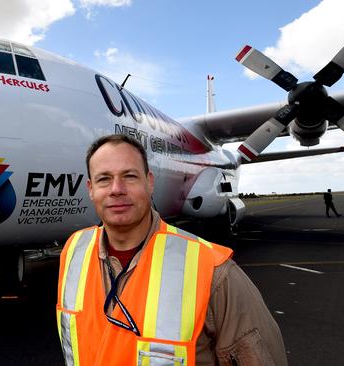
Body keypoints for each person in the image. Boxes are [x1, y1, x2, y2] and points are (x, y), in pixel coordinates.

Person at [56, 134, 287, 365]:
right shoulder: (74, 250)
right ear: (90, 188)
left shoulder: (213, 270)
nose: (116, 189)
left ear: (150, 182)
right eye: (104, 179)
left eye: (130, 176)